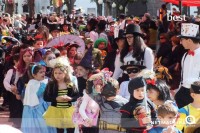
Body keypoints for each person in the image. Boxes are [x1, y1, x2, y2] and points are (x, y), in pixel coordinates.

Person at [43, 57, 79, 133]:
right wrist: (56, 98)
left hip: (68, 111)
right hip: (57, 111)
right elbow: (45, 97)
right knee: (59, 130)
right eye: (55, 73)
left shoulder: (70, 84)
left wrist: (70, 98)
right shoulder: (51, 84)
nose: (57, 75)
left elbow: (76, 96)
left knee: (70, 129)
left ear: (65, 73)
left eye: (60, 73)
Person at [21, 64, 55, 133]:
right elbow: (37, 94)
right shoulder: (32, 83)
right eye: (40, 72)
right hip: (35, 107)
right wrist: (43, 85)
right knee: (39, 124)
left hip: (44, 105)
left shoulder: (44, 82)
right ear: (34, 75)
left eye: (44, 72)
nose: (43, 74)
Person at [175, 23, 200, 108]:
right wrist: (179, 89)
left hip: (197, 93)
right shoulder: (185, 55)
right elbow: (183, 75)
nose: (180, 42)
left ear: (189, 40)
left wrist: (190, 81)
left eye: (182, 40)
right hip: (184, 92)